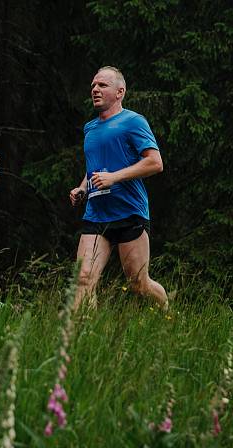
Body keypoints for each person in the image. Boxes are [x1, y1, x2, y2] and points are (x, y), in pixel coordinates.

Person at [69, 66, 168, 311]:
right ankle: (82, 340)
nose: (95, 89)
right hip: (97, 214)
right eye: (93, 85)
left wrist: (114, 178)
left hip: (129, 212)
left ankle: (166, 311)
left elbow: (155, 162)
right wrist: (83, 188)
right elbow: (95, 165)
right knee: (83, 280)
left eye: (102, 85)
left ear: (120, 91)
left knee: (138, 284)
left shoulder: (133, 121)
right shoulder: (90, 128)